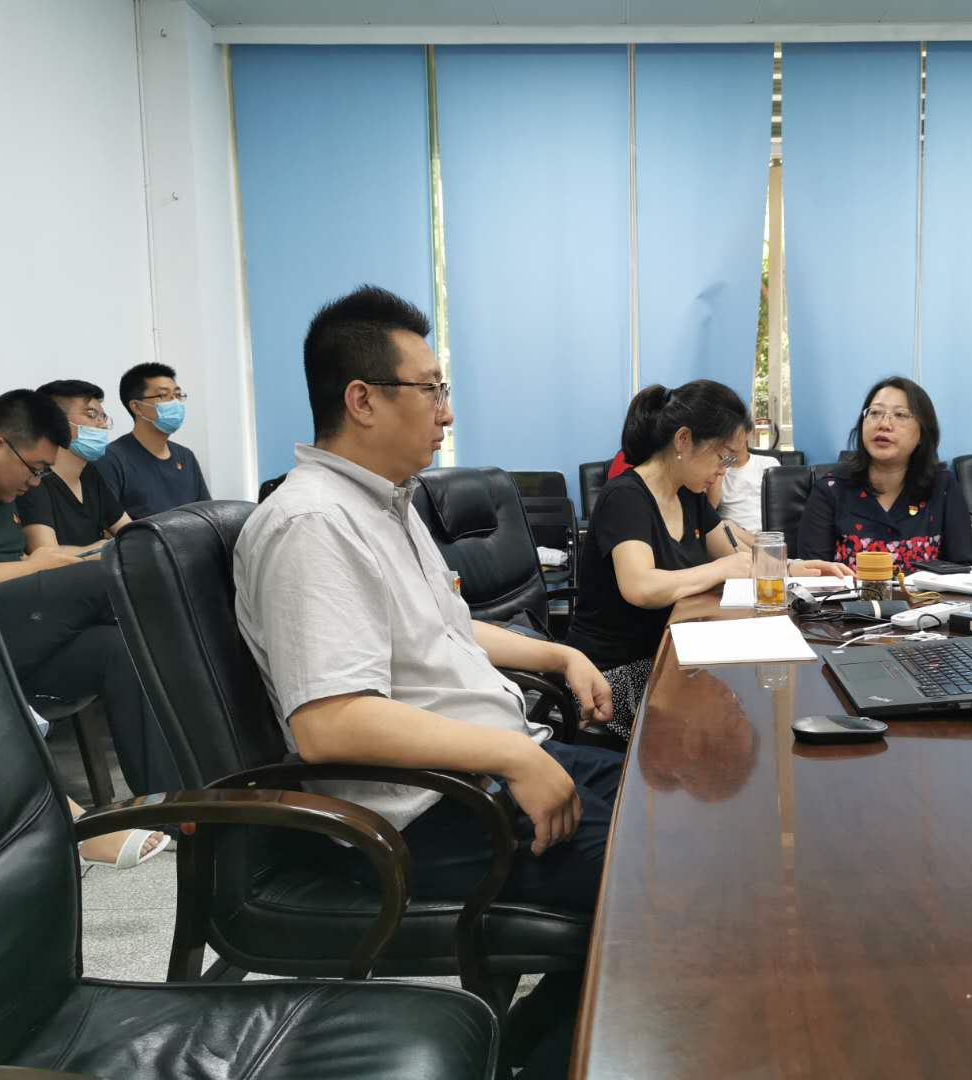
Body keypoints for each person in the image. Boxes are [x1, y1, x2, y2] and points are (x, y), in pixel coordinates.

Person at [232, 284, 621, 1079]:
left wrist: (558, 657)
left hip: (489, 767)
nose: (447, 411)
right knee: (674, 880)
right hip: (430, 816)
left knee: (675, 817)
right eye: (432, 389)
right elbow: (330, 724)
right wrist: (512, 756)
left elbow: (441, 629)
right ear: (362, 400)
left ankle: (531, 1047)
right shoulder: (314, 524)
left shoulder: (386, 503)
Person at [0, 390, 175, 863]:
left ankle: (167, 805)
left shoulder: (2, 490)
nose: (35, 483)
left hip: (19, 639)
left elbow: (24, 561)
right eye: (35, 469)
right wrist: (36, 567)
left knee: (116, 647)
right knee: (110, 578)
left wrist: (46, 563)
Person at [565, 381, 847, 740]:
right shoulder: (626, 496)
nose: (725, 470)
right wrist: (720, 570)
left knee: (761, 695)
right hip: (612, 675)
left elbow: (734, 555)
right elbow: (640, 586)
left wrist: (791, 567)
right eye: (723, 457)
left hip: (671, 657)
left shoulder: (689, 496)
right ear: (683, 440)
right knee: (729, 717)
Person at [798, 376, 972, 572]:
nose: (884, 424)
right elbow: (812, 574)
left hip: (929, 594)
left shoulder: (942, 486)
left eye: (900, 415)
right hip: (846, 594)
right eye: (875, 413)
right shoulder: (831, 489)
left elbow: (964, 571)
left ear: (922, 432)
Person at [18, 380, 130, 554]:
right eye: (91, 414)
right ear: (55, 421)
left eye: (103, 417)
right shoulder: (33, 480)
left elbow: (130, 531)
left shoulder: (90, 473)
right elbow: (46, 553)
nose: (102, 424)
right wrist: (104, 548)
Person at [95, 362, 210, 518]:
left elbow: (207, 515)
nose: (174, 402)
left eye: (177, 395)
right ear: (137, 407)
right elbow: (106, 523)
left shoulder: (186, 456)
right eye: (163, 395)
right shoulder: (110, 459)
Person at [707, 417, 779, 533]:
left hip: (767, 535)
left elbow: (782, 507)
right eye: (724, 431)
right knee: (726, 525)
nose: (729, 435)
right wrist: (722, 463)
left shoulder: (769, 463)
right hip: (732, 534)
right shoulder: (716, 470)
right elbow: (710, 508)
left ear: (747, 433)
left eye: (734, 430)